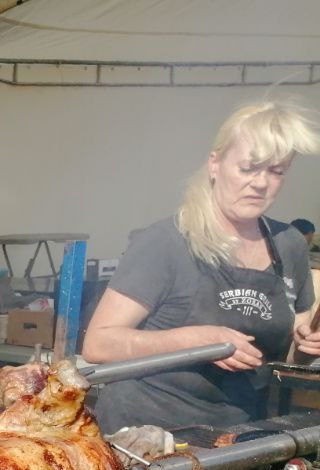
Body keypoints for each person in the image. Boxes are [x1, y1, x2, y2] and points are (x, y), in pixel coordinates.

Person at [83, 102, 319, 446]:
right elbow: (98, 343)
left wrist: (308, 349)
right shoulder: (166, 242)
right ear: (215, 163)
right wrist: (196, 341)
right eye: (248, 168)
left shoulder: (289, 246)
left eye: (276, 172)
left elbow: (286, 356)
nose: (260, 184)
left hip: (236, 436)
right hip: (142, 436)